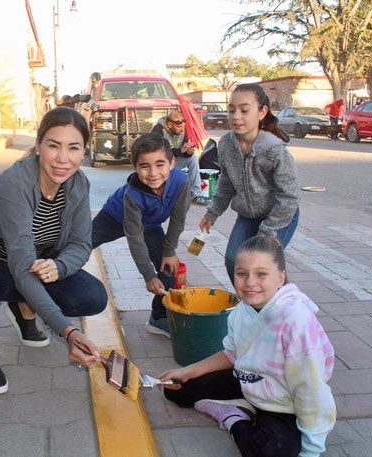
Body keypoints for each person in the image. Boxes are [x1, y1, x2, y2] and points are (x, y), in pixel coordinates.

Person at [0, 106, 108, 395]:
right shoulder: (14, 183)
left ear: (84, 151)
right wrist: (68, 332)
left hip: (31, 268)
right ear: (39, 145)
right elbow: (21, 263)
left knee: (93, 296)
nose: (63, 158)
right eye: (54, 146)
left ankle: (24, 307)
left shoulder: (79, 184)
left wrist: (60, 266)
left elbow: (80, 244)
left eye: (73, 148)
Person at [159, 235, 336, 457]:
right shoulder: (242, 309)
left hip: (284, 403)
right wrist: (187, 371)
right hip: (249, 382)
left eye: (261, 274)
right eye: (242, 273)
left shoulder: (295, 320)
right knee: (176, 390)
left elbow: (310, 390)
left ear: (281, 278)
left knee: (269, 451)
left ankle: (231, 417)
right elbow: (232, 354)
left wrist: (311, 450)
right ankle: (243, 404)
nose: (250, 282)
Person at [92, 133, 190, 338]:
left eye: (160, 164)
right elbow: (135, 237)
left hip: (151, 224)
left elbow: (178, 219)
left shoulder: (181, 182)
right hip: (114, 216)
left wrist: (169, 250)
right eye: (145, 166)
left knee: (169, 268)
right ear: (135, 167)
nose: (153, 173)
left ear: (172, 163)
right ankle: (53, 272)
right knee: (81, 245)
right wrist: (148, 276)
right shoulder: (132, 194)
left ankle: (158, 317)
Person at [199, 83, 300, 283]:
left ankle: (285, 308)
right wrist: (212, 213)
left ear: (262, 112)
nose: (236, 116)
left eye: (244, 110)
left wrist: (268, 231)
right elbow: (226, 182)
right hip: (248, 216)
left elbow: (289, 197)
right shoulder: (227, 144)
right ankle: (251, 308)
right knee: (233, 261)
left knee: (260, 265)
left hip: (279, 216)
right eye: (231, 110)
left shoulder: (275, 150)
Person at [151, 110, 207, 205]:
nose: (181, 130)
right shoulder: (158, 130)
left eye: (183, 127)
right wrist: (180, 150)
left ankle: (195, 194)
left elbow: (184, 150)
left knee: (192, 157)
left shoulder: (183, 130)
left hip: (173, 162)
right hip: (158, 165)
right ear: (169, 124)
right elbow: (158, 153)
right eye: (178, 127)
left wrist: (188, 152)